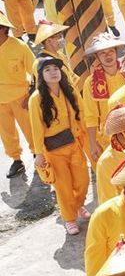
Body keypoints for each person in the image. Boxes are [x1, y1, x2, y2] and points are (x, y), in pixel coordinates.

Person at [28, 55, 90, 235]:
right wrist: (39, 153)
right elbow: (36, 128)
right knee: (63, 187)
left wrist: (89, 138)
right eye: (47, 70)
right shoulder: (36, 99)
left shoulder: (69, 90)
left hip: (73, 143)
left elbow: (82, 114)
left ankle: (78, 205)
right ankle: (69, 218)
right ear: (40, 75)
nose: (53, 72)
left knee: (83, 180)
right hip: (53, 150)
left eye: (56, 69)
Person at [81, 31, 125, 159]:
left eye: (110, 51)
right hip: (109, 136)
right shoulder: (90, 83)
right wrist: (93, 144)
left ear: (116, 52)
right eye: (102, 53)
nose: (108, 56)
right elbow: (91, 116)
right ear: (96, 56)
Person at [0, 13, 33, 177]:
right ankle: (16, 160)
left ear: (3, 29)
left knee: (31, 129)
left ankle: (38, 153)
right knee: (6, 133)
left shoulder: (19, 46)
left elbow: (36, 71)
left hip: (21, 97)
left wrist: (31, 94)